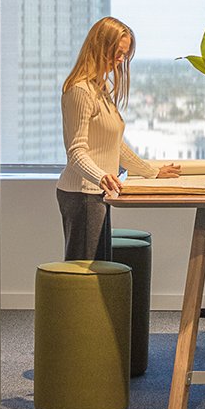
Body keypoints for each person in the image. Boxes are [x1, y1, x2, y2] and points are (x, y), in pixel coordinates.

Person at [58, 17, 181, 260]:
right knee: (85, 274)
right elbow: (76, 152)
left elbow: (116, 146)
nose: (121, 60)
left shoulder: (99, 90)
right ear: (101, 46)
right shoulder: (80, 91)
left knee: (99, 270)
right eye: (118, 52)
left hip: (98, 192)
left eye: (125, 54)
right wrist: (102, 176)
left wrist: (151, 171)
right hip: (83, 193)